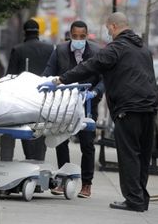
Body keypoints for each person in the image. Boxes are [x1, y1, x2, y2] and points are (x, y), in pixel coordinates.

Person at [38, 12, 158, 212]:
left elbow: (89, 66)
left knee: (129, 155)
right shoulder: (143, 50)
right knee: (142, 156)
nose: (108, 32)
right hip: (149, 108)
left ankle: (133, 200)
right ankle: (141, 198)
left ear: (113, 27)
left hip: (128, 109)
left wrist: (61, 80)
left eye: (107, 29)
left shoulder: (115, 48)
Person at [42, 21, 104, 198]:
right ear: (70, 35)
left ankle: (86, 184)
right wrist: (44, 83)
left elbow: (104, 78)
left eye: (82, 37)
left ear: (87, 36)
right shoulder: (60, 50)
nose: (78, 40)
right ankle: (64, 180)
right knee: (61, 140)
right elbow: (48, 72)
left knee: (87, 143)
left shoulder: (97, 52)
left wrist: (95, 92)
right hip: (64, 103)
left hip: (88, 103)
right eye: (75, 36)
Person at [0, 19, 54, 161]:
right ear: (38, 32)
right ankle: (39, 160)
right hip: (44, 98)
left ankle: (29, 158)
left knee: (27, 129)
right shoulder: (50, 49)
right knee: (41, 130)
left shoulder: (18, 50)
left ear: (24, 32)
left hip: (24, 98)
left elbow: (10, 76)